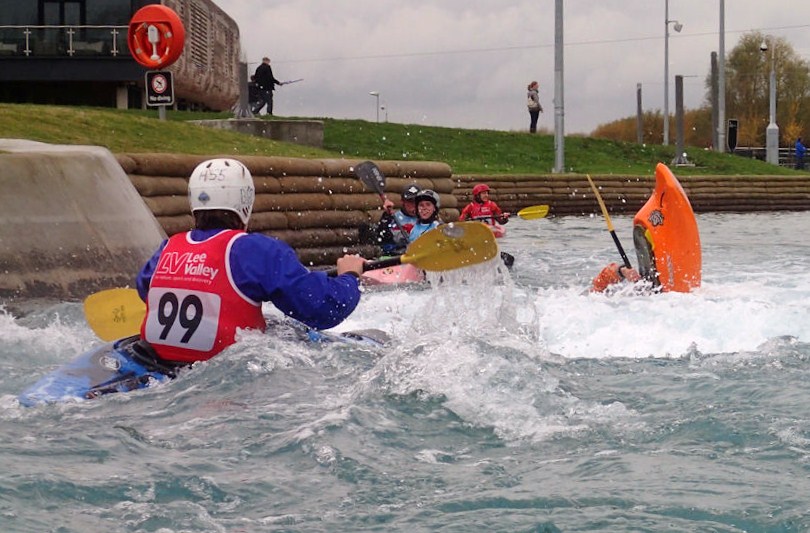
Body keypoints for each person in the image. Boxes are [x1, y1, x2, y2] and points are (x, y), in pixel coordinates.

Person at [135, 158, 365, 365]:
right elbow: (322, 309)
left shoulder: (169, 247)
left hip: (157, 364)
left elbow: (145, 288)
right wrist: (349, 276)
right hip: (225, 372)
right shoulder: (254, 250)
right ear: (245, 202)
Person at [375, 183, 420, 255]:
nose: (413, 205)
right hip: (399, 257)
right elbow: (383, 239)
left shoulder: (427, 219)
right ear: (402, 201)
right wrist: (386, 216)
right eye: (410, 201)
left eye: (416, 202)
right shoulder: (392, 218)